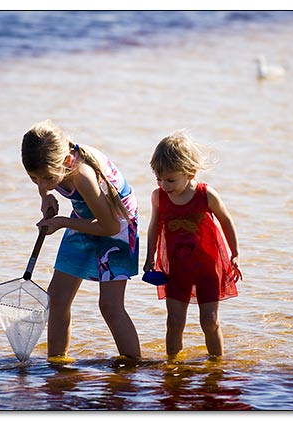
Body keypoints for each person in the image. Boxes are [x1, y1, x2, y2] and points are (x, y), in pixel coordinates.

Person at [21, 119, 141, 359]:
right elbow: (44, 178)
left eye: (47, 178)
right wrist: (45, 196)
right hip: (84, 215)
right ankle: (58, 365)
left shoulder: (83, 175)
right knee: (56, 298)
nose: (41, 183)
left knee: (110, 307)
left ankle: (133, 367)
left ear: (65, 162)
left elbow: (108, 226)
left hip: (117, 226)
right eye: (35, 179)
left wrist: (64, 222)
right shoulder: (53, 164)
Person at [143, 130, 243, 358]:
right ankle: (172, 366)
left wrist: (235, 253)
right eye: (158, 179)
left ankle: (217, 365)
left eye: (170, 180)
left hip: (208, 267)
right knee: (174, 321)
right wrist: (149, 256)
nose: (163, 185)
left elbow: (226, 220)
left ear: (190, 172)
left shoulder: (205, 194)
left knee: (210, 321)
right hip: (176, 269)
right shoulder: (159, 197)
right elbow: (154, 226)